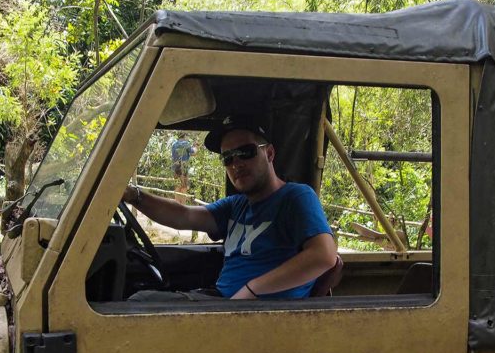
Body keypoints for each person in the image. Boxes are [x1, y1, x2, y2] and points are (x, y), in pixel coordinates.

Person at [123, 116, 337, 300]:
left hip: (264, 313)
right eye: (228, 158)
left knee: (140, 303)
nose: (236, 164)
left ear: (269, 154)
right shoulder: (237, 205)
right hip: (223, 302)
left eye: (246, 152)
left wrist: (251, 290)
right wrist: (134, 196)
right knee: (139, 298)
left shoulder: (295, 197)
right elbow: (184, 215)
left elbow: (324, 255)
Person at [170, 132, 196, 204]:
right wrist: (195, 147)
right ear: (185, 136)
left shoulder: (174, 144)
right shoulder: (186, 144)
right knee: (184, 187)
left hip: (175, 168)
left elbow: (173, 157)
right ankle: (183, 206)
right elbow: (193, 153)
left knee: (178, 186)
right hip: (183, 167)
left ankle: (177, 205)